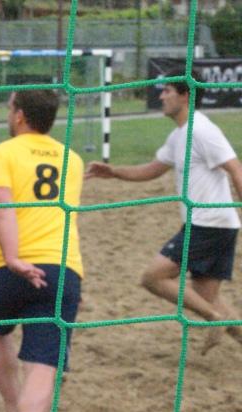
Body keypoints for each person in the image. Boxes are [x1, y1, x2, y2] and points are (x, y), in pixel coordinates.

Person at [86, 69, 242, 351]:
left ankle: (212, 318)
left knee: (153, 277)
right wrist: (114, 172)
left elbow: (236, 169)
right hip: (216, 224)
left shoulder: (202, 130)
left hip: (209, 223)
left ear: (185, 95)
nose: (161, 96)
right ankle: (217, 316)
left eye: (167, 90)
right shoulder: (179, 135)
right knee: (207, 295)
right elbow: (152, 169)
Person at [0, 89, 84, 412]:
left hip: (7, 267)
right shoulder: (72, 159)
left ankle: (12, 407)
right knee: (44, 363)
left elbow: (3, 207)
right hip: (61, 267)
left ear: (19, 115)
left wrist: (13, 258)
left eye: (10, 107)